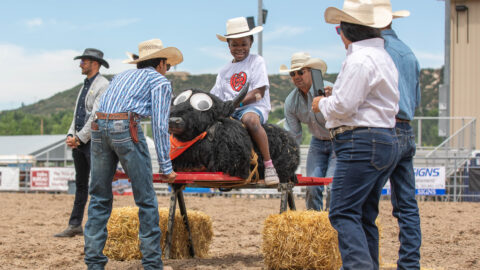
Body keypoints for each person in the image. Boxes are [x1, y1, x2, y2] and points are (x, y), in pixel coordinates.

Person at [312, 1, 399, 269]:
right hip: (382, 138)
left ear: (347, 31)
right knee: (363, 214)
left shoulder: (359, 59)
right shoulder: (382, 57)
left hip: (360, 141)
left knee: (342, 212)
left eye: (339, 29)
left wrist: (321, 105)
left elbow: (343, 106)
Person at [83, 39, 180, 270]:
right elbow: (158, 124)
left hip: (99, 127)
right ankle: (152, 264)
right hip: (125, 128)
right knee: (146, 199)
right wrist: (166, 167)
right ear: (162, 63)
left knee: (98, 197)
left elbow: (100, 109)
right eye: (168, 65)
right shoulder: (160, 81)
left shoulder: (123, 76)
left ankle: (94, 264)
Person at [210, 16, 279, 186]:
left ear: (251, 43)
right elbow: (215, 95)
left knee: (250, 120)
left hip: (253, 107)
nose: (239, 48)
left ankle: (269, 165)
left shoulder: (257, 61)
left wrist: (237, 104)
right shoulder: (224, 71)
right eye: (235, 44)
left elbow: (259, 92)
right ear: (228, 45)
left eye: (243, 44)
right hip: (229, 111)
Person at [379, 2, 422, 269]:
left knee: (361, 201)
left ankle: (362, 261)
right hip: (406, 127)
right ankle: (409, 264)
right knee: (407, 205)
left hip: (383, 128)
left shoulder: (378, 51)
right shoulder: (408, 53)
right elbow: (415, 98)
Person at [54, 48, 109, 238]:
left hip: (93, 142)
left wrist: (79, 138)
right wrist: (71, 134)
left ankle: (95, 226)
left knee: (96, 185)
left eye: (84, 61)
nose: (80, 64)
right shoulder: (86, 84)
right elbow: (77, 114)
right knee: (81, 185)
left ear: (95, 63)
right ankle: (75, 224)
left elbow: (96, 115)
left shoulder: (103, 85)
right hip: (81, 142)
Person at [280, 52, 336, 211]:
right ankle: (315, 222)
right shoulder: (291, 102)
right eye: (293, 73)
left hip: (338, 141)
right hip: (318, 142)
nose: (296, 76)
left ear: (311, 71)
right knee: (312, 187)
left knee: (333, 187)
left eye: (301, 72)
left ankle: (332, 223)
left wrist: (333, 100)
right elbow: (293, 135)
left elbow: (346, 112)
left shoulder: (330, 90)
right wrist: (287, 160)